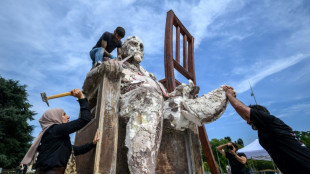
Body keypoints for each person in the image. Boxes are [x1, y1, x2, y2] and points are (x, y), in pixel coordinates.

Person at [223, 85, 310, 174]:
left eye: (248, 118)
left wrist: (229, 95)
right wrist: (233, 98)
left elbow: (240, 108)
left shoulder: (270, 121)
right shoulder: (269, 128)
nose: (247, 122)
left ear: (259, 115)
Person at [20, 88, 99, 174]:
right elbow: (85, 119)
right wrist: (81, 97)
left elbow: (74, 150)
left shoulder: (54, 135)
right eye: (64, 114)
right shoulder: (55, 129)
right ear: (54, 117)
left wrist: (93, 143)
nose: (68, 116)